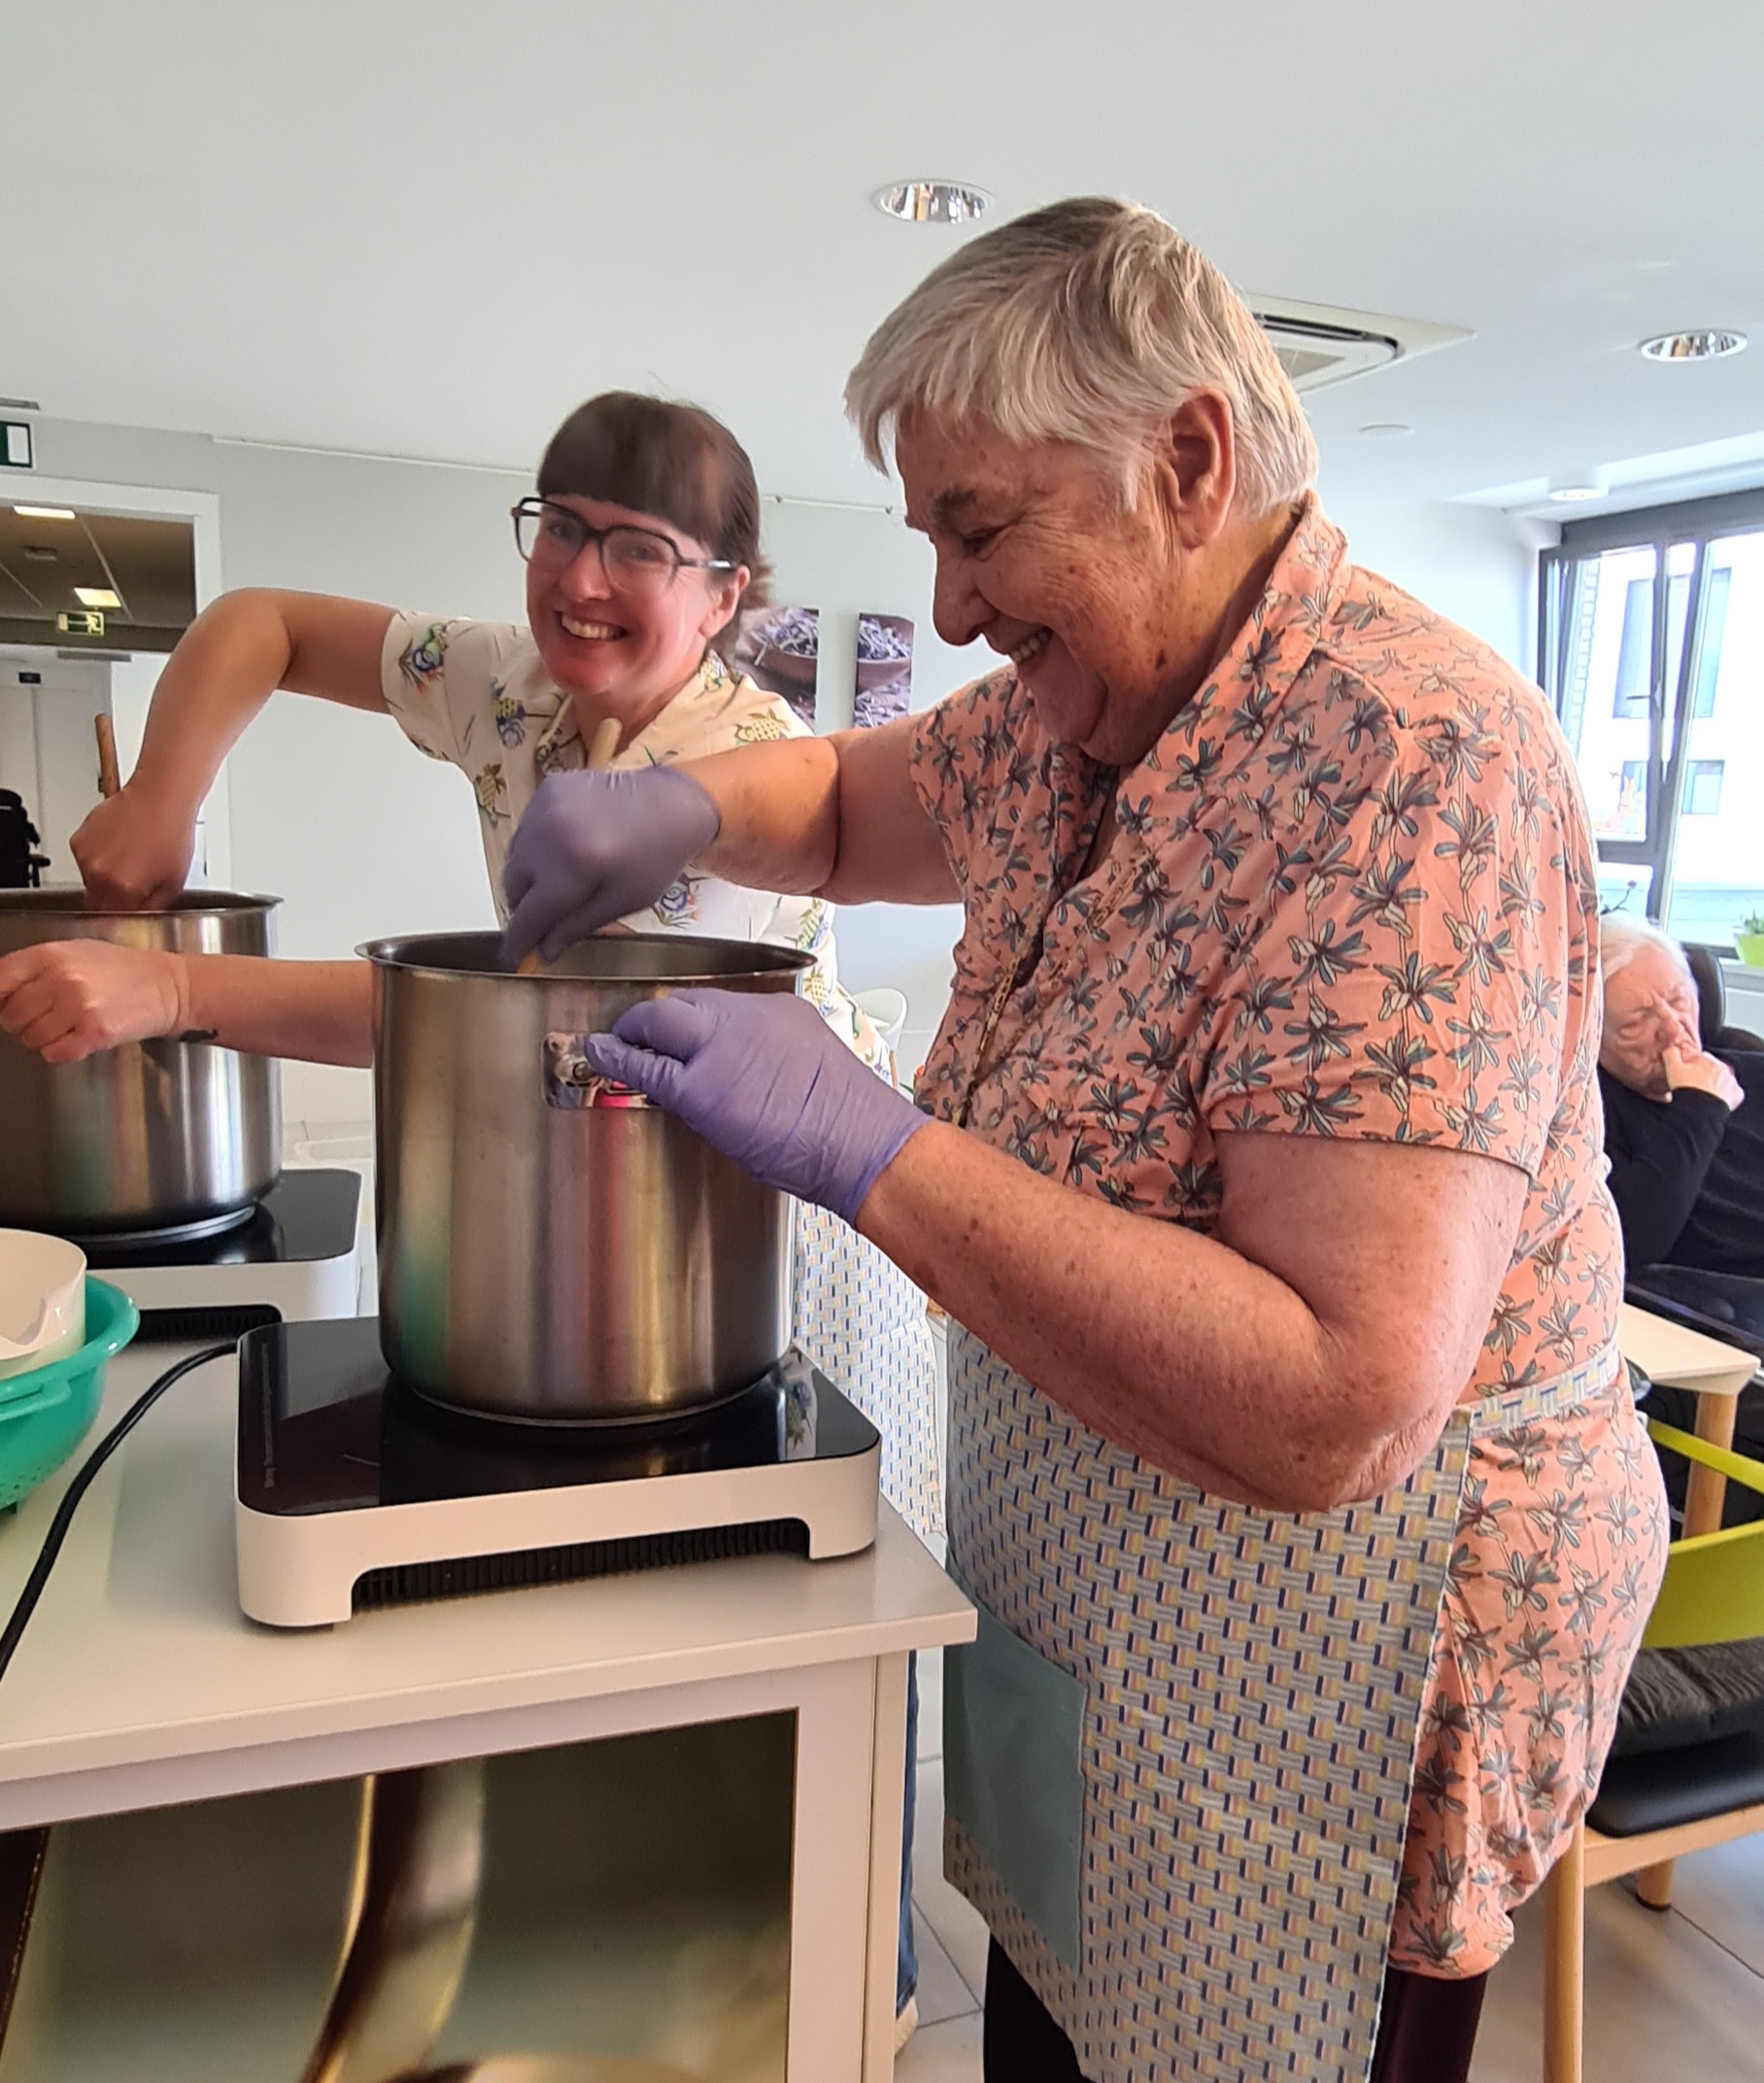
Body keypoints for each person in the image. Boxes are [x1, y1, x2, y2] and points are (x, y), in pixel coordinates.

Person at [493, 201, 1669, 2083]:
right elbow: (851, 800)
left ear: (1184, 461)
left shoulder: (1408, 754)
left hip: (1345, 1639)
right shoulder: (1087, 712)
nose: (954, 605)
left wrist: (870, 1145)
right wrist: (679, 805)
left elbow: (1336, 1400)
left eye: (978, 528)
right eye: (928, 540)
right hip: (1113, 1573)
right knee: (1061, 2018)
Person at [0, 391, 938, 2045]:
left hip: (758, 1224)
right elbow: (262, 621)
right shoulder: (504, 686)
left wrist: (178, 986)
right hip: (585, 1187)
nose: (580, 576)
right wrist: (159, 799)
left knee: (809, 1632)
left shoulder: (723, 772)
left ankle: (857, 1958)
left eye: (637, 547)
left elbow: (525, 1016)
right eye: (559, 525)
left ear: (726, 593)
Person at [1598, 913, 1764, 1284]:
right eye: (1637, 1022)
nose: (1674, 1029)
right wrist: (1701, 1106)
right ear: (1594, 1039)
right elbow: (1626, 1243)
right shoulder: (1595, 1122)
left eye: (1679, 999)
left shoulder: (1752, 1067)